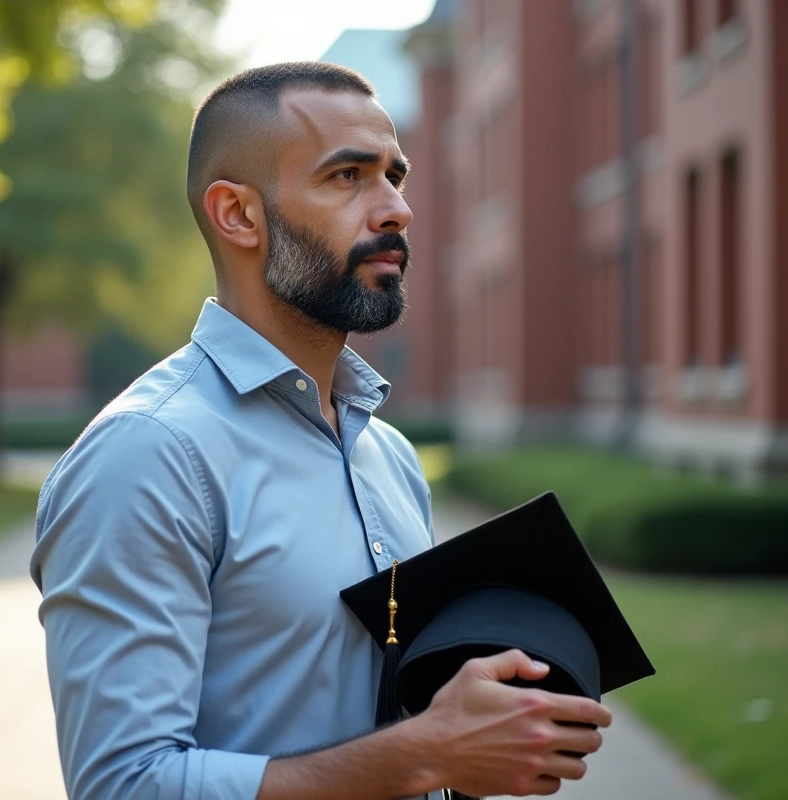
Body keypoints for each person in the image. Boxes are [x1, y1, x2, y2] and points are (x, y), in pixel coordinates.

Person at [30, 62, 611, 800]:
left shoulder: (388, 455)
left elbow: (400, 721)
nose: (396, 207)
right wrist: (423, 755)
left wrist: (480, 727)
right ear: (238, 214)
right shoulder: (148, 456)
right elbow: (122, 785)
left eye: (396, 175)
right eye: (348, 177)